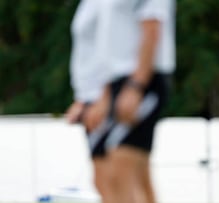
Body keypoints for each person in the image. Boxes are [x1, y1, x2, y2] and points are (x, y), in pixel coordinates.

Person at [65, 0, 175, 203]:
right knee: (116, 178)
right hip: (114, 85)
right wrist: (99, 95)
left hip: (141, 81)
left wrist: (136, 86)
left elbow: (152, 28)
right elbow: (106, 48)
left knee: (121, 175)